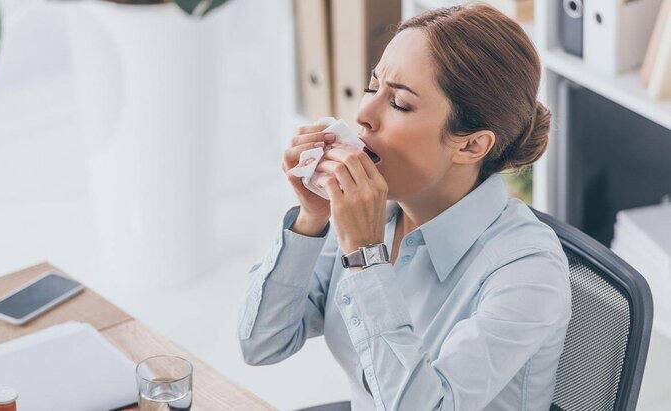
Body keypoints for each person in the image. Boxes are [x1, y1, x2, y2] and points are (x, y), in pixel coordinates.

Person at [237, 4, 572, 410]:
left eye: (399, 103)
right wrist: (311, 218)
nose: (362, 114)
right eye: (372, 86)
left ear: (471, 145)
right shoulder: (372, 213)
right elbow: (262, 342)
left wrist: (365, 258)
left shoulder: (529, 272)